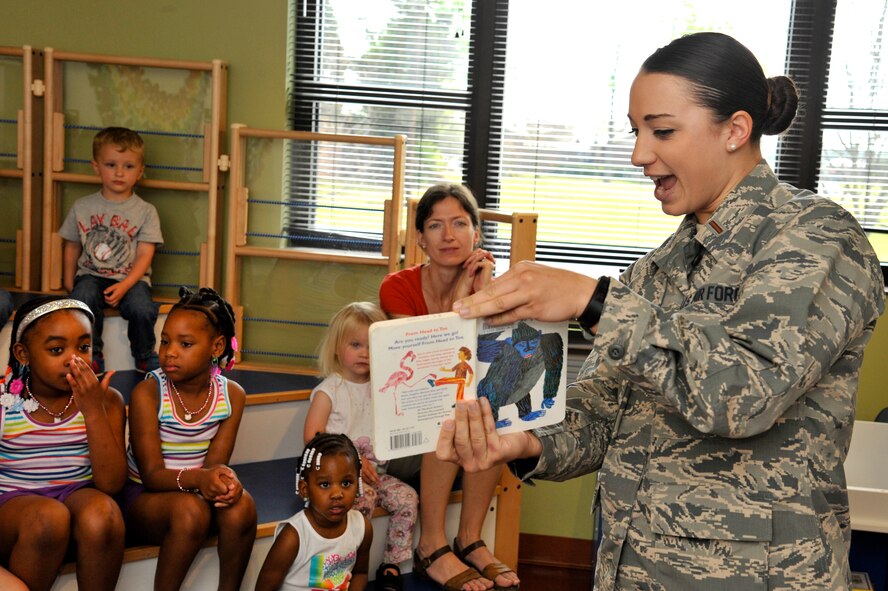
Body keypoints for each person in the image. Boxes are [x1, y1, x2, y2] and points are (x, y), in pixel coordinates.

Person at [438, 32, 886, 591]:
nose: (638, 154)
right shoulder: (657, 270)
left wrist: (594, 300)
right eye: (636, 131)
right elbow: (602, 416)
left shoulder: (815, 236)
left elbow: (743, 395)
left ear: (735, 130)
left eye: (662, 130)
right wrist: (523, 441)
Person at [379, 183, 519, 591]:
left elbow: (491, 363)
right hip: (403, 434)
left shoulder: (491, 284)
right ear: (420, 238)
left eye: (460, 223)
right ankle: (431, 545)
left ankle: (470, 538)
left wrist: (485, 291)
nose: (448, 235)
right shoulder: (397, 286)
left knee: (487, 408)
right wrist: (462, 294)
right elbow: (432, 360)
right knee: (446, 412)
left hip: (457, 429)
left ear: (477, 234)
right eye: (436, 225)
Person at [124, 286, 256, 591]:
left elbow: (214, 464)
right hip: (145, 499)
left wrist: (224, 481)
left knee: (242, 505)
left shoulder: (231, 396)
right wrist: (203, 478)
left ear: (216, 346)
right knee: (190, 511)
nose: (169, 352)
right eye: (165, 341)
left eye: (185, 344)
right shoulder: (149, 393)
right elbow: (153, 476)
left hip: (194, 492)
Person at [0, 296, 127, 591]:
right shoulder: (6, 402)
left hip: (75, 494)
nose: (75, 359)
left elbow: (111, 483)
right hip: (13, 506)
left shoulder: (105, 399)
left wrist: (93, 410)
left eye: (84, 347)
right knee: (49, 517)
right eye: (57, 349)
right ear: (23, 353)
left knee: (104, 513)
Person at [303, 301, 419, 590]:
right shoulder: (331, 390)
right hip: (341, 479)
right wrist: (354, 461)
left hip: (377, 474)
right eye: (355, 344)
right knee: (359, 504)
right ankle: (346, 565)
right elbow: (313, 437)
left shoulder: (381, 385)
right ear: (336, 348)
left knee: (408, 498)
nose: (364, 353)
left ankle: (391, 562)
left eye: (371, 345)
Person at [59, 126, 164, 374]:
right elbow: (71, 245)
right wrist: (67, 281)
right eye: (111, 165)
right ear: (96, 166)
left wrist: (126, 285)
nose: (119, 172)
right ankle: (92, 355)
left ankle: (143, 354)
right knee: (81, 300)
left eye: (128, 166)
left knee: (142, 308)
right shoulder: (82, 206)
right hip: (91, 275)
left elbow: (145, 254)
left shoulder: (146, 211)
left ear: (140, 172)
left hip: (131, 278)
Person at [256, 432, 373, 591]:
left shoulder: (362, 527)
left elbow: (360, 573)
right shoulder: (293, 537)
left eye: (346, 483)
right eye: (325, 485)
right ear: (305, 489)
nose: (337, 494)